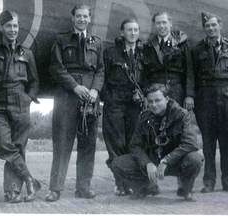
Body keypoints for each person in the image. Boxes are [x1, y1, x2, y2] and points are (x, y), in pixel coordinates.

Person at [45, 4, 104, 202]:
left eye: (85, 16)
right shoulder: (61, 40)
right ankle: (55, 189)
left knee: (88, 144)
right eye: (78, 16)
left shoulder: (97, 42)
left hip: (90, 98)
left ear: (89, 18)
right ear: (72, 19)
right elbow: (56, 68)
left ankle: (83, 187)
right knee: (62, 143)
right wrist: (75, 87)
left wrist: (95, 90)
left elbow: (101, 70)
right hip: (67, 96)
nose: (81, 19)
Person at [112, 83, 203, 202]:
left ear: (166, 99)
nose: (154, 105)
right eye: (150, 101)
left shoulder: (182, 115)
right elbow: (134, 145)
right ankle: (147, 187)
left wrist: (167, 160)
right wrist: (147, 163)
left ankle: (186, 190)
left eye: (157, 100)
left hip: (174, 161)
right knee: (118, 163)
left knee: (195, 159)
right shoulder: (144, 116)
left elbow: (190, 143)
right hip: (153, 160)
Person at [0, 10, 41, 203]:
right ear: (1, 27)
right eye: (8, 26)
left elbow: (34, 82)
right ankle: (29, 178)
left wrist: (28, 98)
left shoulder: (27, 54)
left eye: (15, 26)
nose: (12, 30)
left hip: (20, 104)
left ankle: (13, 191)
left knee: (18, 146)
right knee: (4, 145)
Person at [102, 18, 144, 196]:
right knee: (116, 145)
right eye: (129, 30)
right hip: (115, 103)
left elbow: (147, 78)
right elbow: (101, 77)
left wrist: (142, 94)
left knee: (132, 143)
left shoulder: (143, 54)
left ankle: (131, 181)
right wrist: (108, 98)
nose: (133, 33)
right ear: (122, 32)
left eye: (136, 30)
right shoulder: (111, 53)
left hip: (134, 104)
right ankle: (120, 183)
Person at [192, 12, 228, 193]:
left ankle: (227, 181)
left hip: (226, 98)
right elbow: (192, 76)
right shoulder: (197, 50)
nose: (211, 28)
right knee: (208, 143)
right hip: (206, 99)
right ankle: (209, 182)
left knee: (226, 142)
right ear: (204, 29)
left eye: (214, 25)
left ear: (220, 25)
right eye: (208, 26)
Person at [143, 12, 194, 110]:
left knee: (176, 120)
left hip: (176, 90)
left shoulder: (181, 44)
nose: (161, 26)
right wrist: (146, 95)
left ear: (170, 23)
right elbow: (145, 73)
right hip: (155, 91)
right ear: (154, 25)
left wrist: (189, 95)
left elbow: (189, 70)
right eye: (158, 23)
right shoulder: (149, 46)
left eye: (164, 22)